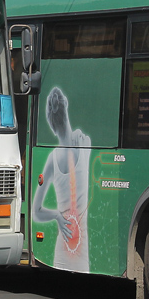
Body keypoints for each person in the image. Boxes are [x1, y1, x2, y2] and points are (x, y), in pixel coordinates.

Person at [31, 86, 91, 272]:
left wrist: (57, 215)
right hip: (82, 247)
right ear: (66, 106)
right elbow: (77, 135)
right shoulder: (84, 143)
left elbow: (36, 211)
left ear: (51, 123)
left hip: (63, 244)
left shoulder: (52, 160)